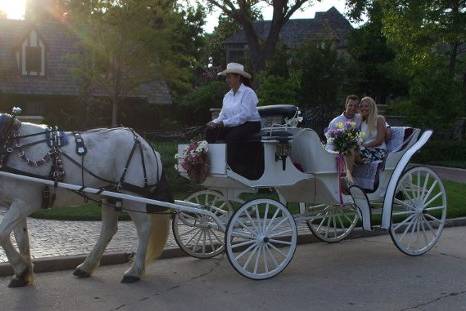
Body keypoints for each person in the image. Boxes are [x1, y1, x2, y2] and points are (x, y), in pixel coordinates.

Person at [205, 63, 262, 176]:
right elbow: (223, 115)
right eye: (227, 77)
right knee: (210, 131)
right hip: (233, 124)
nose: (227, 80)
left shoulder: (248, 93)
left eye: (230, 77)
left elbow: (244, 116)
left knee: (232, 136)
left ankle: (235, 168)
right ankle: (211, 164)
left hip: (251, 124)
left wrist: (224, 123)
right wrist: (214, 122)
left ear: (238, 77)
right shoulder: (227, 96)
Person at [358, 96, 388, 164]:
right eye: (361, 106)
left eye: (366, 106)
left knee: (351, 152)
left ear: (372, 107)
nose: (363, 108)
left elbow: (379, 140)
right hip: (365, 150)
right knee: (347, 151)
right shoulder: (362, 123)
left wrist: (363, 146)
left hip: (378, 151)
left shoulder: (379, 119)